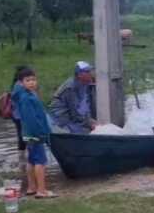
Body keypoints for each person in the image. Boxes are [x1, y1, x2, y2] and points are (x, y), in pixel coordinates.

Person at [12, 67, 57, 199]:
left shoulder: (25, 95)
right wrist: (41, 134)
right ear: (21, 83)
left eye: (33, 79)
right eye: (28, 80)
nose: (32, 82)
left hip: (28, 133)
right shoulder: (27, 98)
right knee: (40, 161)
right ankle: (42, 191)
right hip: (35, 133)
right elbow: (32, 119)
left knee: (31, 160)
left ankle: (32, 188)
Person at [48, 61, 97, 134]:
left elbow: (85, 108)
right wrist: (90, 123)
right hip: (62, 120)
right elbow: (74, 113)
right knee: (84, 134)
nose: (91, 73)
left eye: (90, 71)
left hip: (75, 119)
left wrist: (91, 121)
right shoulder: (70, 88)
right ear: (79, 75)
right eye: (88, 72)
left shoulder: (86, 85)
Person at [10, 65, 29, 152]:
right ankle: (22, 158)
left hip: (18, 115)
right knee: (23, 136)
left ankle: (23, 157)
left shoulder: (17, 84)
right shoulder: (20, 85)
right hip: (20, 115)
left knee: (22, 135)